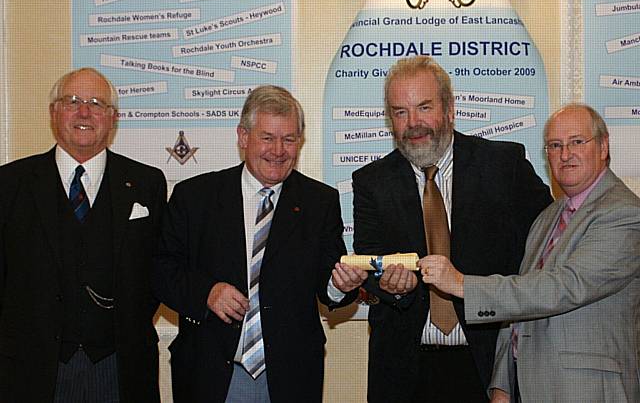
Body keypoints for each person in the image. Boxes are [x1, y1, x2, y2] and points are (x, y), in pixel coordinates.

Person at [349, 56, 552, 403]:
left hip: (490, 367)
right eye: (400, 112)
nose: (414, 123)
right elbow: (370, 261)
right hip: (404, 372)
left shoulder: (503, 165)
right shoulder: (371, 182)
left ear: (450, 109)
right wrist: (390, 286)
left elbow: (549, 245)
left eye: (424, 107)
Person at [153, 85, 360, 403]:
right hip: (210, 374)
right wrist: (207, 293)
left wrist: (339, 285)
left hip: (289, 378)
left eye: (289, 139)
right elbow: (162, 271)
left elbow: (328, 285)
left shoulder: (320, 202)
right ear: (243, 136)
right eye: (267, 137)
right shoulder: (195, 197)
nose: (278, 150)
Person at [420, 103, 640, 402]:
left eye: (577, 141)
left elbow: (563, 287)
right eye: (554, 145)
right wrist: (502, 384)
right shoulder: (548, 217)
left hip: (587, 389)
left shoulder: (624, 214)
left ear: (603, 147)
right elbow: (520, 307)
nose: (565, 154)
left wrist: (461, 284)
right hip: (531, 386)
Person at [0, 68, 167, 402]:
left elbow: (159, 269)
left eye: (96, 103)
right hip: (32, 371)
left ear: (113, 117)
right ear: (53, 112)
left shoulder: (147, 183)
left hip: (120, 368)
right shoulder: (10, 184)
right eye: (72, 101)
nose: (84, 112)